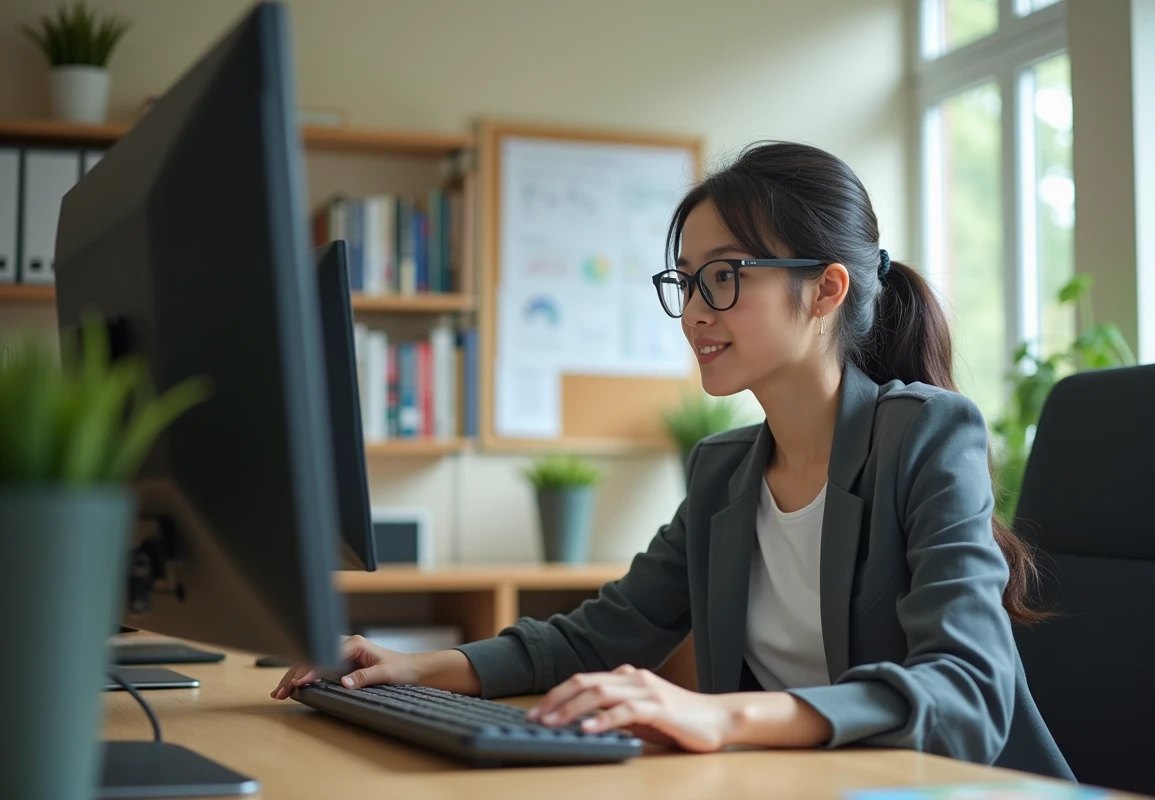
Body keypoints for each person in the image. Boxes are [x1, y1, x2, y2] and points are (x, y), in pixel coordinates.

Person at [273, 141, 1072, 779]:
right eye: (686, 282)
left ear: (826, 290)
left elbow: (967, 694)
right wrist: (415, 666)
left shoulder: (926, 437)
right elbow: (598, 637)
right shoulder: (724, 471)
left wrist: (717, 715)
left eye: (722, 278)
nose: (693, 312)